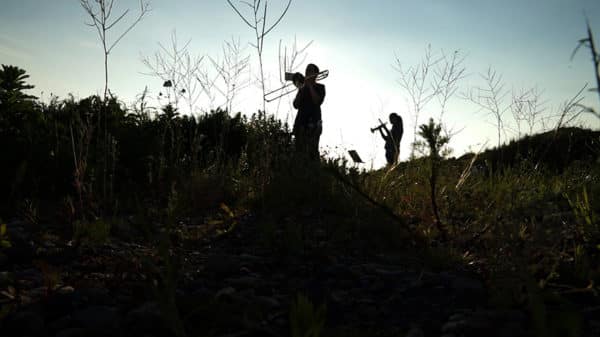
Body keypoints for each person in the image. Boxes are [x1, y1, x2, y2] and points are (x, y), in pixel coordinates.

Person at [293, 63, 326, 160]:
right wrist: (300, 88)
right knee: (299, 151)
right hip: (300, 123)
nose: (307, 73)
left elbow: (317, 101)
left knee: (312, 151)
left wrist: (310, 86)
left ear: (316, 74)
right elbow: (295, 105)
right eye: (306, 71)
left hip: (314, 123)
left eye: (310, 71)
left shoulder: (321, 87)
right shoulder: (302, 88)